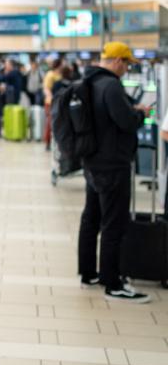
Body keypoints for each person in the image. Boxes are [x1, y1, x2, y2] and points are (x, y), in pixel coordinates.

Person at [78, 42, 151, 303]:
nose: (127, 68)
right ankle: (113, 282)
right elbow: (126, 121)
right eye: (127, 64)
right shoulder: (111, 86)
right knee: (113, 223)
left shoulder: (90, 81)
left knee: (91, 219)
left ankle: (88, 272)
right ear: (118, 61)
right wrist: (141, 115)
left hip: (93, 161)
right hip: (113, 164)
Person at [42, 57, 64, 150]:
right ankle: (47, 142)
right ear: (58, 65)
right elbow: (46, 89)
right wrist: (52, 99)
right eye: (62, 64)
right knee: (50, 123)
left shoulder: (60, 74)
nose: (63, 66)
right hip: (50, 103)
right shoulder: (50, 75)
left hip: (60, 102)